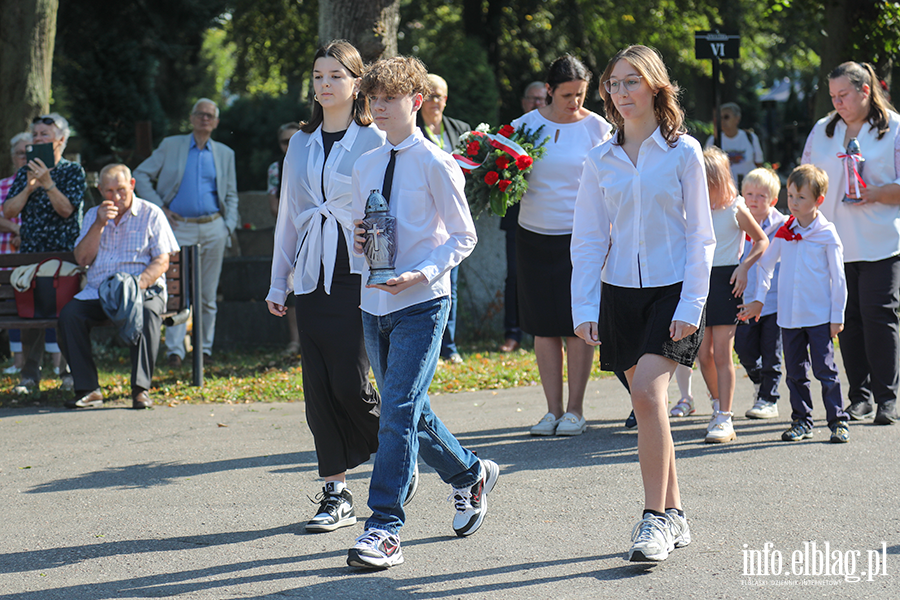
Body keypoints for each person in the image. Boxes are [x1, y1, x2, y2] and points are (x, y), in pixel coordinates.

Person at [348, 55, 498, 569]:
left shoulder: (436, 161)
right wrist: (359, 240)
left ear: (416, 102)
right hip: (374, 301)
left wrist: (423, 274)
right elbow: (358, 236)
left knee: (397, 412)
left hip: (422, 303)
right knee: (405, 408)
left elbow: (464, 237)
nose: (379, 109)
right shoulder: (365, 162)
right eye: (373, 100)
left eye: (389, 99)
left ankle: (384, 526)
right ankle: (468, 474)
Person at [571, 45, 715, 561]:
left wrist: (692, 305)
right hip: (617, 296)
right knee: (648, 405)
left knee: (651, 398)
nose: (621, 91)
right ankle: (675, 514)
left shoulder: (684, 152)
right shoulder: (599, 158)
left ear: (656, 86)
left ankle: (653, 521)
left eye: (633, 81)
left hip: (673, 291)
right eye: (614, 83)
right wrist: (584, 308)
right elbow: (587, 238)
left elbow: (701, 236)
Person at [265, 41, 385, 533]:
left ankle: (400, 454)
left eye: (336, 75)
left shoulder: (376, 139)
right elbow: (289, 217)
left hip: (359, 273)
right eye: (318, 76)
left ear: (357, 82)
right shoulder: (301, 142)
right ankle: (335, 493)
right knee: (316, 386)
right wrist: (279, 281)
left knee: (350, 384)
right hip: (313, 273)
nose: (325, 84)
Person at [512, 55, 612, 438]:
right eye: (568, 94)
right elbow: (501, 174)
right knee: (543, 327)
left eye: (582, 94)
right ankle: (551, 410)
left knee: (579, 324)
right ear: (548, 91)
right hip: (534, 236)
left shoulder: (598, 129)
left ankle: (575, 410)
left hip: (581, 237)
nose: (575, 102)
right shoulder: (524, 128)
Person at [802, 61, 900, 425]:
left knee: (879, 317)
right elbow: (806, 178)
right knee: (848, 320)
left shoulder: (893, 129)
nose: (837, 102)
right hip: (833, 242)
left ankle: (886, 399)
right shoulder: (823, 130)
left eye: (844, 95)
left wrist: (876, 192)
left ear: (864, 90)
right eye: (832, 96)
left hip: (879, 242)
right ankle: (858, 396)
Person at [741, 165, 850, 443]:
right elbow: (765, 266)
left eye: (800, 197)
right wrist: (759, 300)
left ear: (818, 201)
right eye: (790, 195)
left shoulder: (827, 234)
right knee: (795, 372)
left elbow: (839, 279)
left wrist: (837, 316)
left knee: (825, 370)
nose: (793, 202)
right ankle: (801, 421)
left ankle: (837, 420)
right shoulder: (784, 231)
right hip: (788, 317)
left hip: (818, 316)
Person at [58, 164, 178, 409]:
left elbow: (161, 261)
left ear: (132, 185)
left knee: (147, 313)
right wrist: (99, 225)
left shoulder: (151, 213)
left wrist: (137, 286)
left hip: (142, 287)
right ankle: (88, 388)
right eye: (109, 191)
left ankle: (140, 389)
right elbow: (82, 259)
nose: (116, 197)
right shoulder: (93, 215)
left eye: (121, 189)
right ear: (100, 190)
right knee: (70, 316)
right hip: (100, 290)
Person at [134, 98, 239, 368]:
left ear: (216, 123)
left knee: (208, 294)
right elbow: (140, 175)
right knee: (176, 290)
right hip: (178, 229)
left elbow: (231, 194)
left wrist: (227, 227)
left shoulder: (225, 153)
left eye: (210, 115)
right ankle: (175, 351)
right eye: (200, 114)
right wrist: (160, 209)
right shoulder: (171, 145)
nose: (205, 118)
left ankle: (204, 349)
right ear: (192, 119)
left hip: (214, 227)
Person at [4, 113, 84, 397]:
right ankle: (29, 377)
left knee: (66, 315)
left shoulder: (73, 172)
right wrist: (29, 186)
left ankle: (69, 373)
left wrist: (49, 183)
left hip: (64, 256)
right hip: (30, 257)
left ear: (60, 140)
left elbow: (66, 210)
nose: (37, 139)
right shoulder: (25, 172)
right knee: (30, 317)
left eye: (44, 135)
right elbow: (9, 211)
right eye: (35, 135)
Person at [695, 147, 768, 443]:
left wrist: (744, 266)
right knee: (703, 353)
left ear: (717, 178)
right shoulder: (692, 205)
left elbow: (761, 241)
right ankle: (717, 402)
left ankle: (725, 416)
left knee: (723, 353)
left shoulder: (735, 207)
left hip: (727, 281)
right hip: (698, 281)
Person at [416, 73, 470, 364]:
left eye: (440, 96)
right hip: (423, 219)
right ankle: (430, 348)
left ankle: (449, 347)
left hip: (451, 220)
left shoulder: (460, 130)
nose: (435, 101)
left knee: (452, 285)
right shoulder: (411, 129)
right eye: (431, 95)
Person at [498, 82, 549, 354]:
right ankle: (513, 333)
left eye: (543, 99)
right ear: (523, 101)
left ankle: (553, 331)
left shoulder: (555, 131)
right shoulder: (512, 133)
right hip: (518, 217)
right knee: (515, 277)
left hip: (553, 218)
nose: (537, 104)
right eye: (533, 99)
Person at [735, 168, 787, 419]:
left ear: (774, 200)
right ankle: (759, 383)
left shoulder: (784, 226)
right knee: (743, 348)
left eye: (761, 196)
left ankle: (769, 398)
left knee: (771, 352)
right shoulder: (736, 221)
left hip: (773, 301)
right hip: (745, 301)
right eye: (749, 194)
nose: (754, 200)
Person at [267, 121, 302, 357]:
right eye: (284, 141)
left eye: (293, 140)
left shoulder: (311, 158)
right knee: (290, 292)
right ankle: (295, 341)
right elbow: (274, 205)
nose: (288, 146)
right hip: (290, 232)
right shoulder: (275, 168)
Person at [1, 132, 28, 374]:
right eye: (21, 153)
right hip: (7, 257)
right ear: (13, 157)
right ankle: (18, 361)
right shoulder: (2, 186)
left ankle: (58, 362)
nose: (25, 158)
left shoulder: (47, 185)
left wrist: (26, 235)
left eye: (30, 152)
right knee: (12, 307)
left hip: (37, 259)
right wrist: (17, 229)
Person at [704, 102, 764, 186]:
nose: (722, 121)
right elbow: (707, 167)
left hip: (749, 189)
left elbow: (759, 164)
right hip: (724, 190)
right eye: (720, 118)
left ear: (737, 119)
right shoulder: (713, 140)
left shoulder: (750, 137)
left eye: (726, 117)